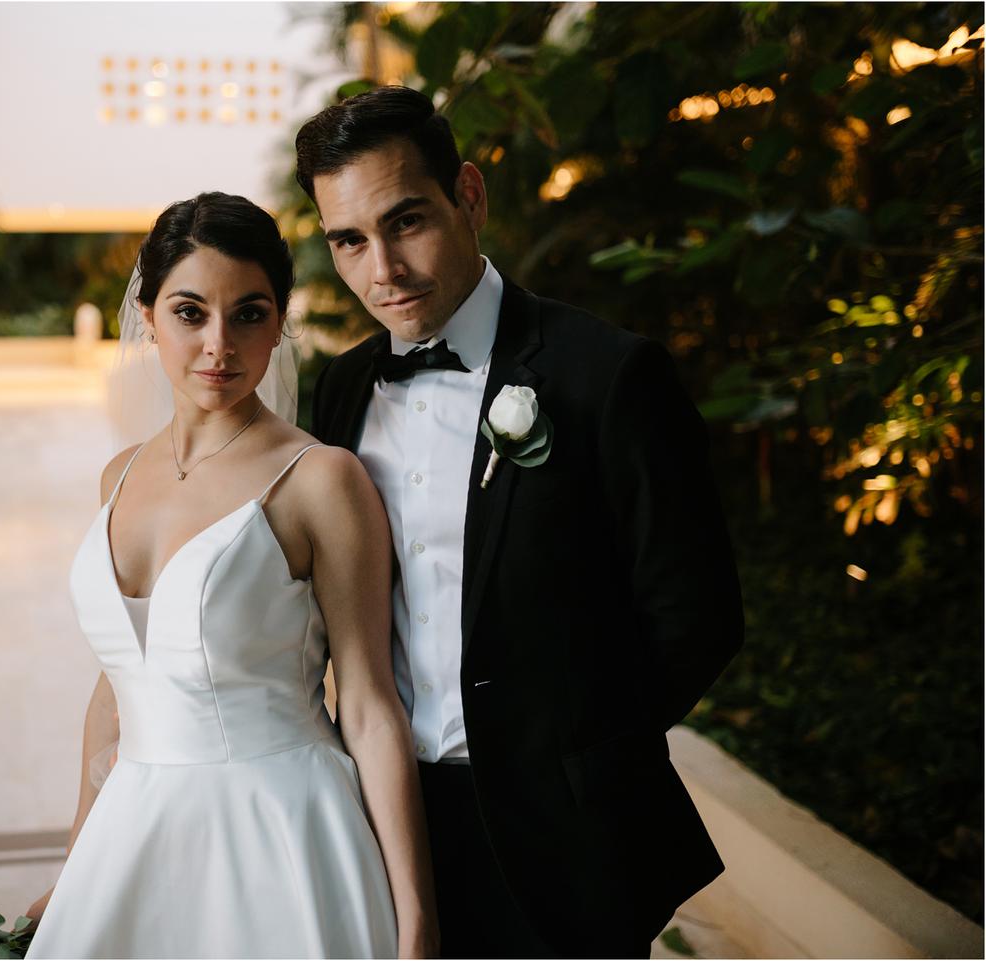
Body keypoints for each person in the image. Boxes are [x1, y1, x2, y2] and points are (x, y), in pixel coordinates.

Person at [297, 86, 745, 958]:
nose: (380, 267)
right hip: (390, 823)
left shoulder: (607, 376)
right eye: (349, 240)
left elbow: (698, 616)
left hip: (565, 837)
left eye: (406, 220)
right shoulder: (343, 389)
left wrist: (581, 753)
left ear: (469, 195)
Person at [25, 191, 438, 959]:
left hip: (280, 834)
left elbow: (373, 705)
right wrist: (78, 859)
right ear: (146, 314)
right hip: (134, 835)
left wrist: (417, 919)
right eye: (190, 312)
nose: (219, 344)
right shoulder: (119, 473)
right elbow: (115, 691)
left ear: (280, 322)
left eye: (249, 313)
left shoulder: (321, 480)